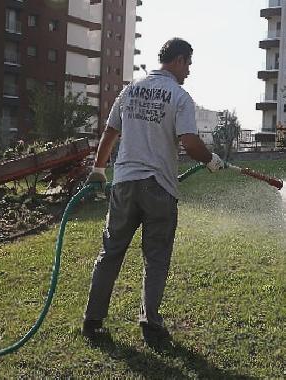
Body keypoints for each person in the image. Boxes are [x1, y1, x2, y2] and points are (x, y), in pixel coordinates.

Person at [81, 38, 224, 349]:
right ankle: (150, 324)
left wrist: (99, 169)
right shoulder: (179, 96)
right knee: (156, 258)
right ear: (179, 60)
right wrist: (210, 159)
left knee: (111, 252)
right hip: (159, 187)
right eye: (188, 64)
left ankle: (92, 321)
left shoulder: (130, 90)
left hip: (124, 183)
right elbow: (188, 140)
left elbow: (110, 133)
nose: (188, 71)